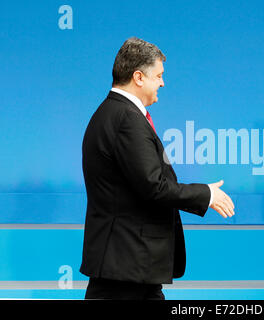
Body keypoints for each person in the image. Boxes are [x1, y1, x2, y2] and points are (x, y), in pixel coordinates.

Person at [79, 37, 235, 300]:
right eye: (159, 76)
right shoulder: (126, 119)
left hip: (126, 266)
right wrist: (205, 195)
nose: (163, 83)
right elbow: (153, 186)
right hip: (127, 264)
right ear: (138, 77)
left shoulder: (111, 113)